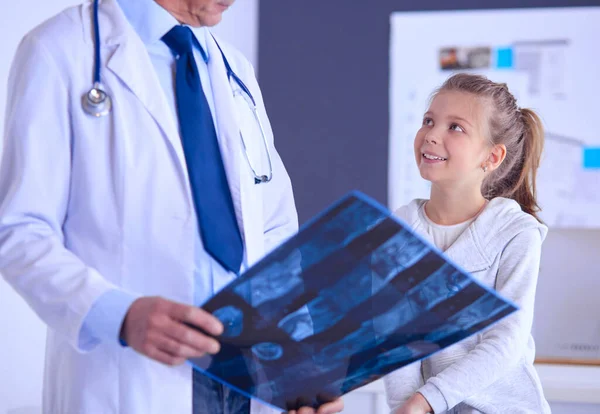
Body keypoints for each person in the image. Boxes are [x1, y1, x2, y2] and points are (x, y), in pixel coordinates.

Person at [0, 0, 343, 413]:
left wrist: (293, 355)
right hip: (130, 378)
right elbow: (19, 230)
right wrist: (120, 316)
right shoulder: (60, 50)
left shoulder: (233, 69)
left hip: (245, 380)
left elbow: (273, 230)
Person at [384, 73, 551, 413]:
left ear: (491, 157)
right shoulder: (398, 230)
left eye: (455, 127)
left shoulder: (516, 233)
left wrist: (426, 400)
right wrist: (406, 407)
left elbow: (506, 342)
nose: (431, 135)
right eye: (428, 121)